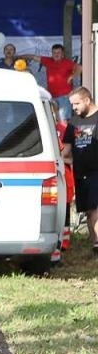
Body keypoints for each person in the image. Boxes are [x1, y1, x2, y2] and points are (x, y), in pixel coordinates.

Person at [64, 86, 98, 254]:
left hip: (96, 171)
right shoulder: (73, 122)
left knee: (96, 208)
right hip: (80, 173)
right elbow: (66, 150)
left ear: (87, 100)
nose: (74, 107)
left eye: (76, 104)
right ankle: (95, 244)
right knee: (89, 211)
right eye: (72, 104)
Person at [39, 44, 77, 121]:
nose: (56, 54)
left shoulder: (67, 63)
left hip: (64, 97)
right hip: (51, 96)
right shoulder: (48, 61)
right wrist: (18, 57)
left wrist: (72, 76)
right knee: (52, 120)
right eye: (54, 53)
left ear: (62, 54)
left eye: (58, 52)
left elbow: (79, 68)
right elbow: (32, 57)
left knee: (64, 120)